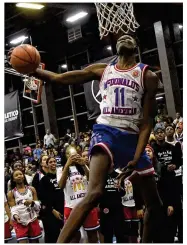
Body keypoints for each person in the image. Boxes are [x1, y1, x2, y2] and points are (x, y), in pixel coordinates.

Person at [9, 34, 164, 243]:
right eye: (120, 37)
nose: (124, 37)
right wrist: (34, 70)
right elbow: (59, 78)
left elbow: (147, 123)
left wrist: (137, 157)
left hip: (132, 137)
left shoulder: (147, 75)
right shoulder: (102, 70)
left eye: (129, 35)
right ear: (114, 47)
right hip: (106, 132)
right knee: (95, 193)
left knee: (155, 206)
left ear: (136, 45)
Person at [58, 146, 99, 243]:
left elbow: (92, 180)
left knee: (93, 236)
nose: (72, 155)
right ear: (65, 156)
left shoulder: (82, 166)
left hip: (87, 204)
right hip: (71, 206)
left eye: (74, 153)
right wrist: (67, 165)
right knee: (74, 237)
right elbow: (60, 185)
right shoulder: (61, 169)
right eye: (69, 154)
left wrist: (84, 165)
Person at [152, 125, 183, 243]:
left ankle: (179, 237)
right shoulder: (153, 149)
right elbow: (154, 164)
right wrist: (165, 167)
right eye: (157, 132)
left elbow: (179, 161)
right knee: (163, 212)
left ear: (164, 134)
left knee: (177, 210)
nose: (160, 134)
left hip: (172, 181)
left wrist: (175, 165)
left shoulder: (172, 147)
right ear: (154, 135)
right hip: (159, 183)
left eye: (161, 132)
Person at [7, 170, 42, 243]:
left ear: (24, 176)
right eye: (16, 175)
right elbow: (13, 209)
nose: (19, 176)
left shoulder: (31, 189)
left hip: (32, 219)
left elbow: (38, 206)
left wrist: (32, 202)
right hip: (20, 222)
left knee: (35, 242)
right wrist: (15, 216)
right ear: (13, 179)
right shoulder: (11, 193)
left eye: (20, 174)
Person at [38, 157, 64, 243]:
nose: (53, 163)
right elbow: (43, 198)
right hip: (51, 212)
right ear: (47, 164)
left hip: (63, 209)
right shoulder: (44, 179)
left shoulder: (61, 176)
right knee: (53, 237)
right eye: (50, 162)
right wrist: (53, 210)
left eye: (54, 161)